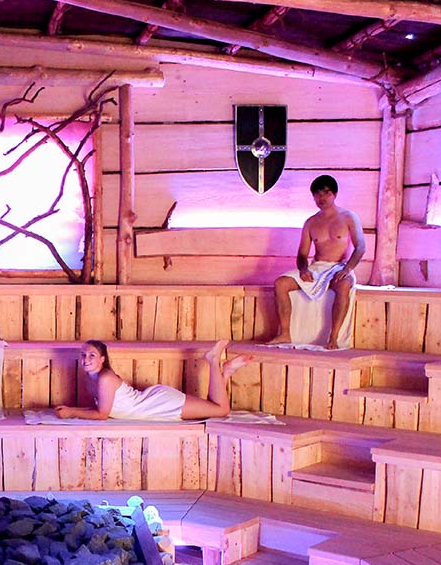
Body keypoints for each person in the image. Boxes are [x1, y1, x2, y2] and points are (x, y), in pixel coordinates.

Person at [267, 175, 365, 350]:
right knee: (281, 283)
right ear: (313, 197)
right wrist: (303, 269)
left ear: (334, 194)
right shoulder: (311, 222)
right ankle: (285, 334)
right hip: (317, 267)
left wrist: (347, 269)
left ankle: (333, 338)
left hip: (340, 266)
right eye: (317, 194)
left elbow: (360, 247)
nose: (322, 198)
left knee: (344, 285)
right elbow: (302, 254)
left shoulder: (348, 217)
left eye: (326, 193)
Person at [54, 339, 250, 421]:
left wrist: (72, 412)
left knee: (221, 410)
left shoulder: (105, 378)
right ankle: (225, 373)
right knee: (213, 408)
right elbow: (102, 407)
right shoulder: (92, 377)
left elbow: (102, 414)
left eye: (92, 355)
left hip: (158, 405)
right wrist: (72, 409)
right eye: (83, 355)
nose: (86, 360)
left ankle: (213, 360)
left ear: (102, 359)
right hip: (152, 402)